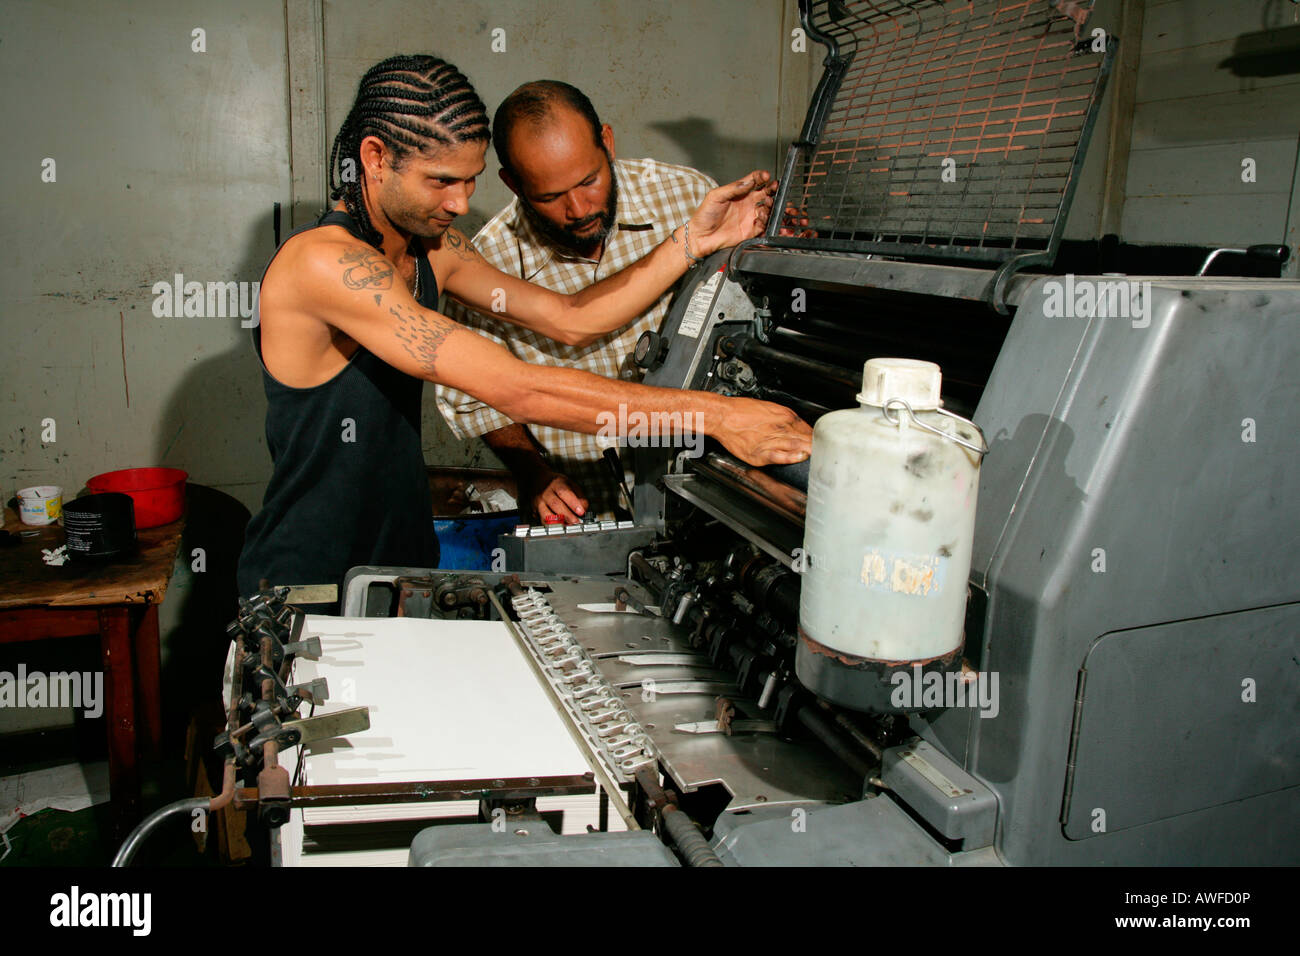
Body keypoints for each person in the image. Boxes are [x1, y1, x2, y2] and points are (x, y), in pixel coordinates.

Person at [235, 54, 808, 608]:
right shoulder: (322, 265)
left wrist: (693, 241)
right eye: (441, 182)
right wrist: (717, 415)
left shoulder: (435, 250)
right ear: (376, 157)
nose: (460, 203)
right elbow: (520, 389)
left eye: (470, 181)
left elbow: (573, 318)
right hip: (309, 582)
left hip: (400, 564)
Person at [436, 81, 716, 523]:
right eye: (550, 197)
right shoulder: (487, 261)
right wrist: (533, 473)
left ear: (606, 142)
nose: (579, 208)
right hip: (585, 512)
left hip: (702, 493)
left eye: (589, 180)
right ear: (512, 183)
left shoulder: (688, 198)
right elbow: (474, 401)